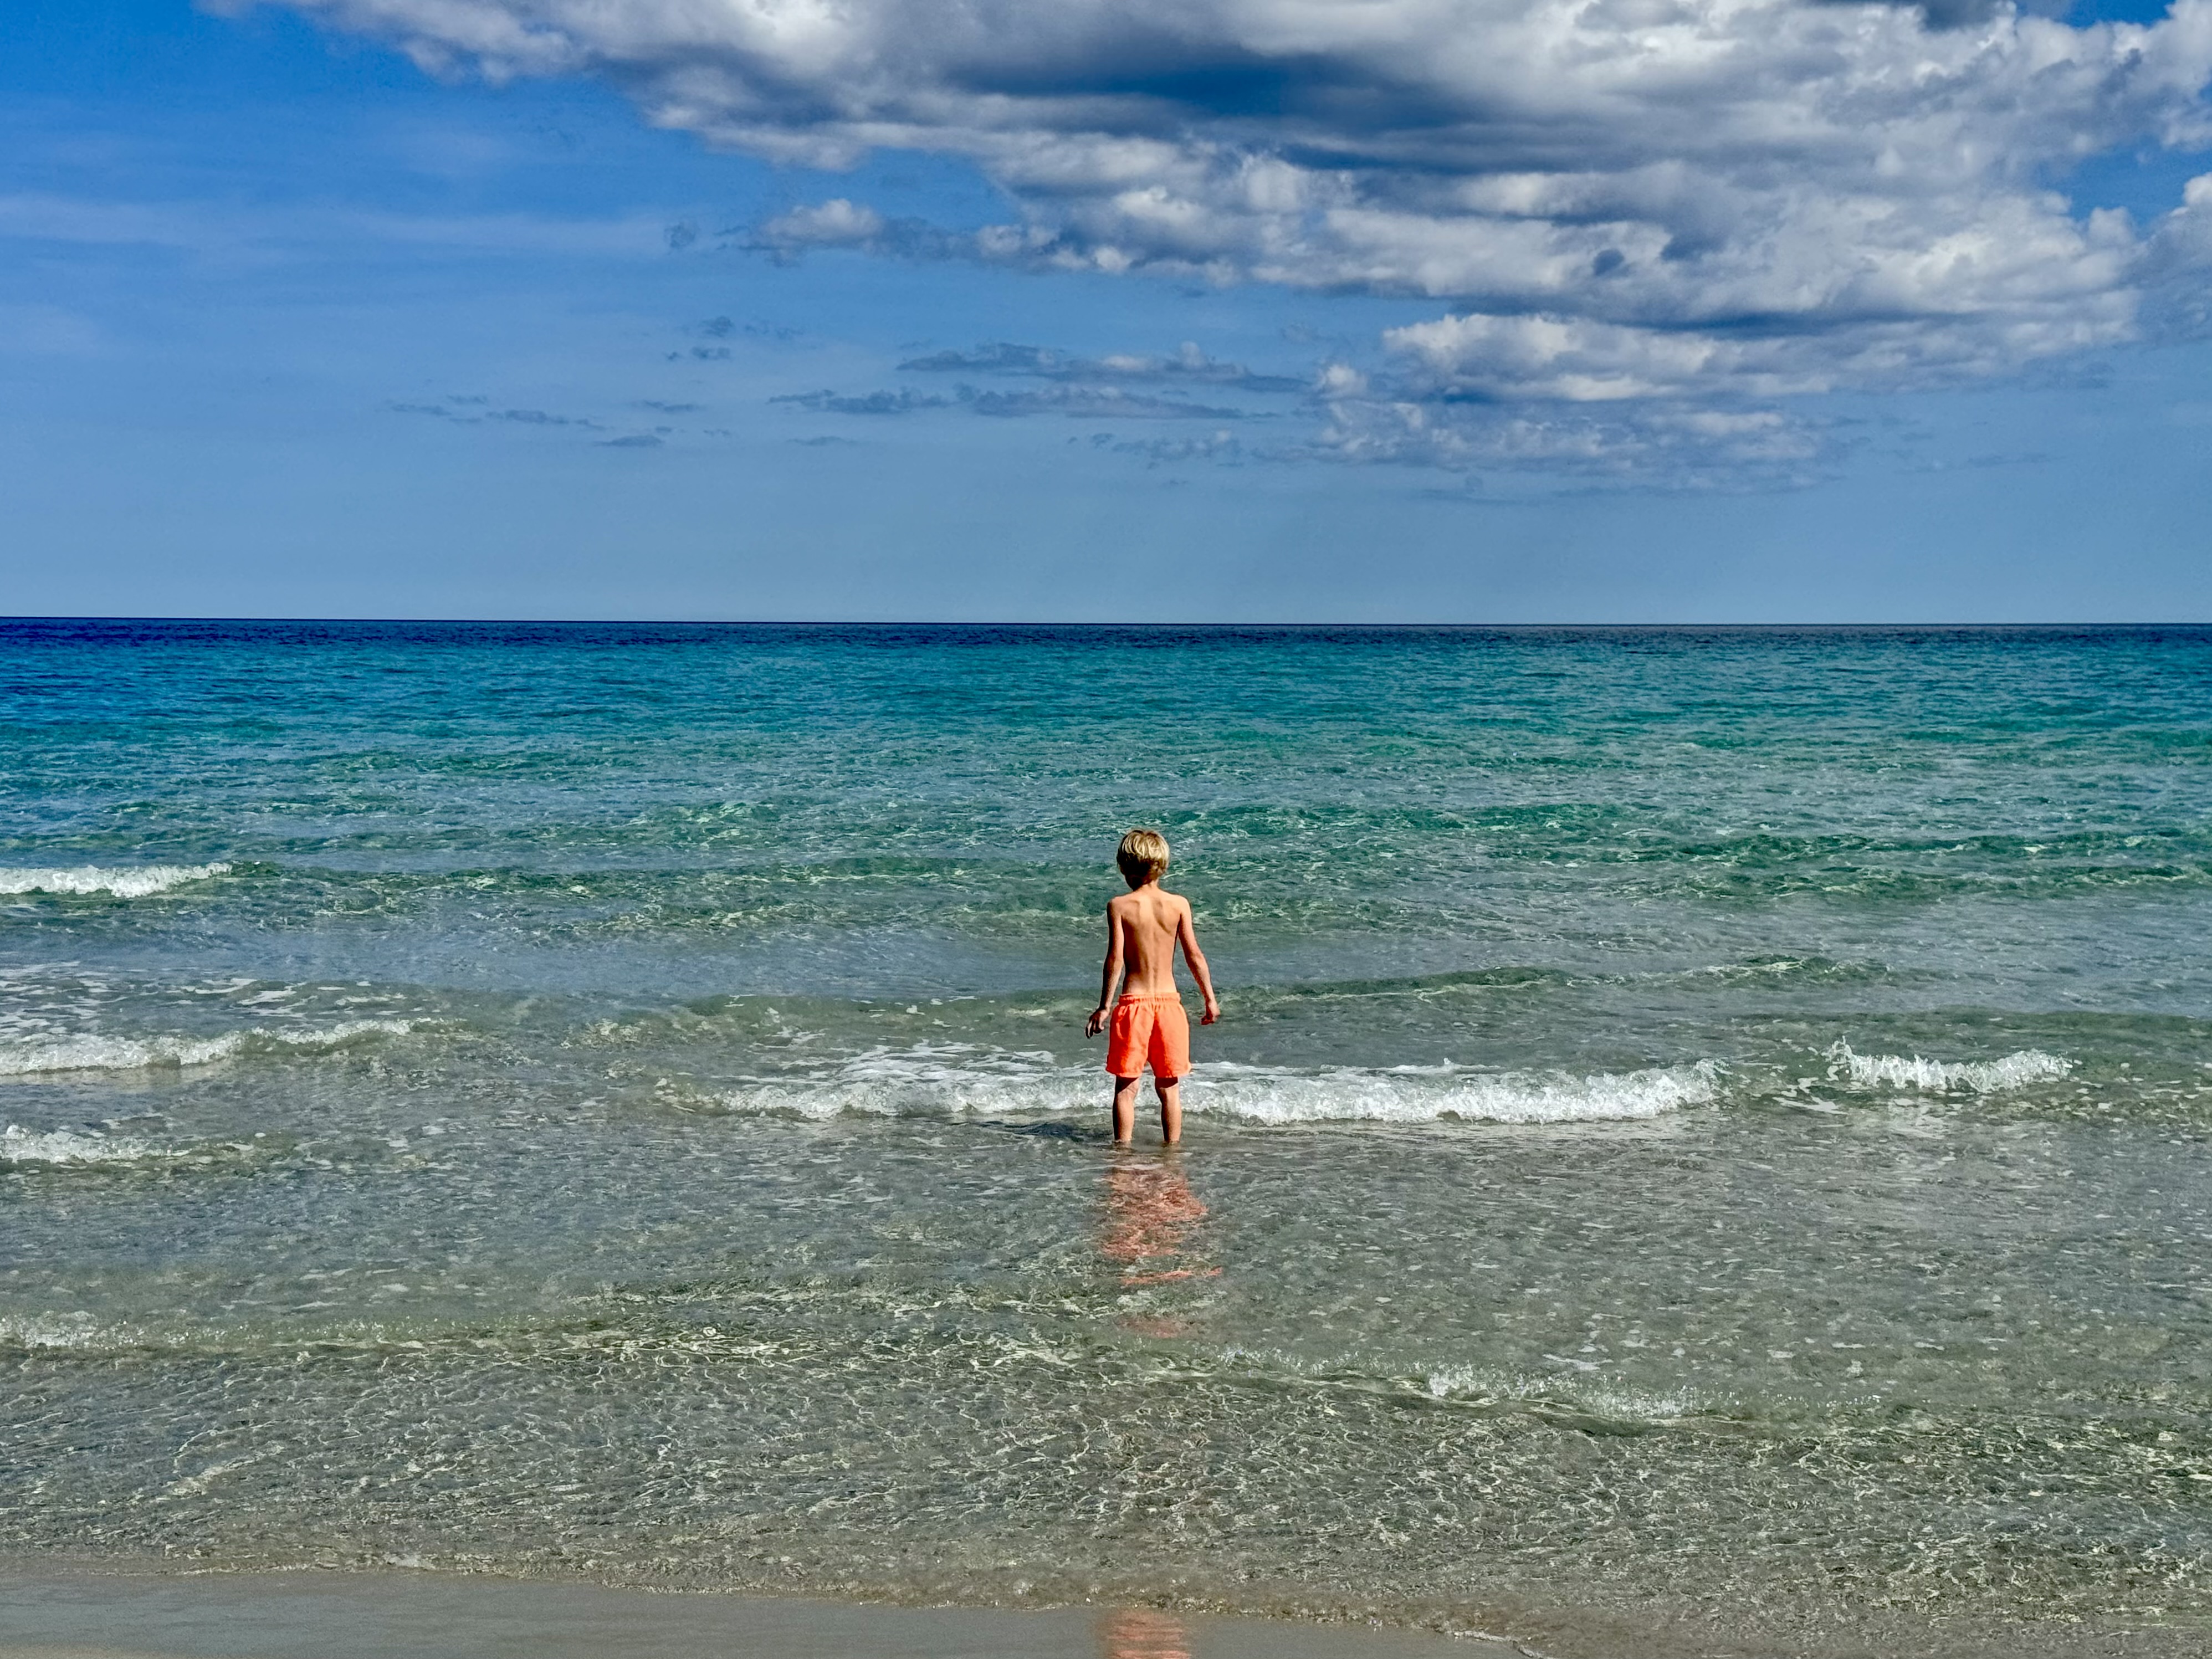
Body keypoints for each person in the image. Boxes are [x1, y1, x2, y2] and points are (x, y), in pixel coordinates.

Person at [1085, 828, 1220, 1144]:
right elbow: (1194, 956)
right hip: (1170, 1006)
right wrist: (1210, 998)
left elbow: (1115, 959)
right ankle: (1172, 1152)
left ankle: (1122, 1152)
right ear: (1162, 866)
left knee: (1127, 1087)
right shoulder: (1178, 904)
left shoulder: (1119, 905)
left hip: (1134, 1004)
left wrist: (1105, 1006)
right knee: (1169, 1086)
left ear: (1123, 867)